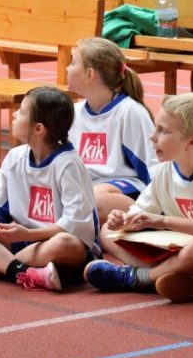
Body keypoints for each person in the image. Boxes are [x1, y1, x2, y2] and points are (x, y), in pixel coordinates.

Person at [84, 92, 193, 301]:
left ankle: (137, 277)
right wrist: (124, 221)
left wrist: (163, 221)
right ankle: (173, 277)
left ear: (191, 142)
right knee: (107, 230)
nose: (153, 136)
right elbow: (142, 210)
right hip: (178, 251)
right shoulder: (165, 170)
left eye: (163, 130)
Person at [0, 87, 101, 291]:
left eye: (22, 111)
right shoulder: (16, 157)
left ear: (38, 129)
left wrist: (27, 233)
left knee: (66, 243)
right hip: (21, 241)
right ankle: (22, 271)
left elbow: (75, 226)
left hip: (54, 245)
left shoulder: (69, 165)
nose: (14, 114)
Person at [67, 37, 159, 224]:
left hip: (124, 188)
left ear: (89, 74)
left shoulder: (129, 112)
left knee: (94, 199)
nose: (67, 68)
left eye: (73, 62)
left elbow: (153, 167)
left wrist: (159, 212)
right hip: (85, 188)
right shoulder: (74, 112)